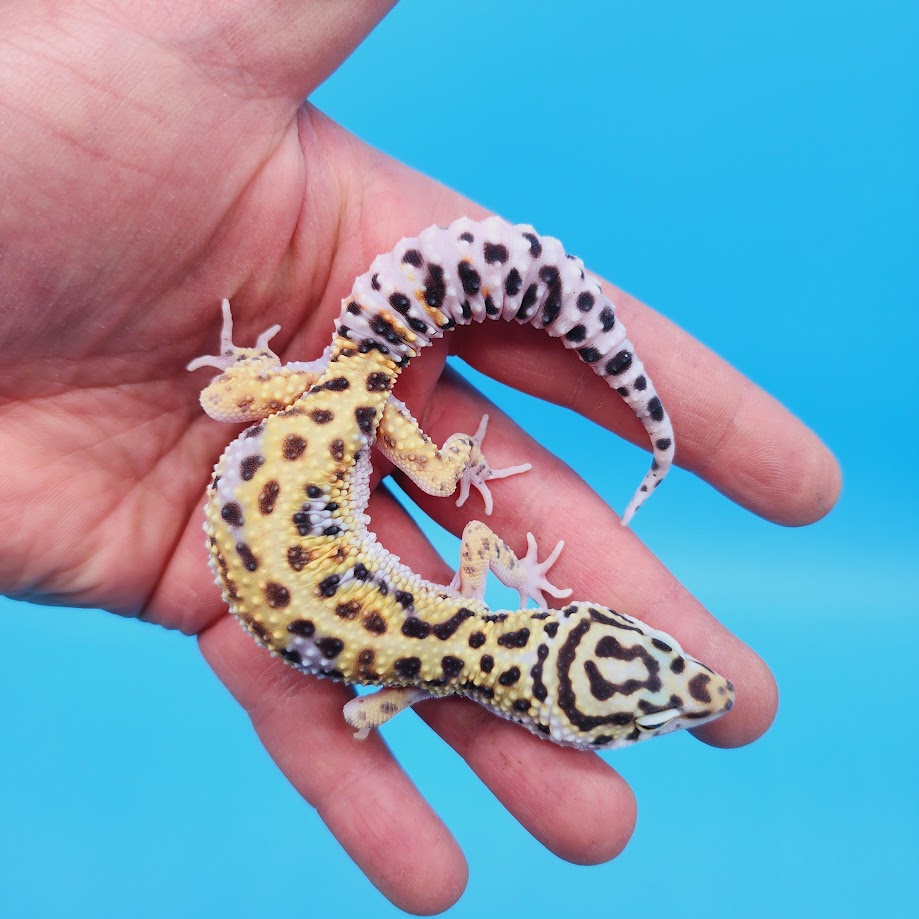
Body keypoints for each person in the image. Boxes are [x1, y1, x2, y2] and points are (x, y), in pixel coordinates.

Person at [0, 2, 840, 913]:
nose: (686, 692)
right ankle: (254, 376)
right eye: (649, 698)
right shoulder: (413, 672)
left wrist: (500, 543)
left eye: (649, 702)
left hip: (309, 445)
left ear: (559, 644)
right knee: (271, 416)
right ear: (541, 704)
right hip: (293, 457)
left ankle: (258, 375)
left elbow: (479, 549)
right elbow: (361, 710)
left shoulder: (475, 606)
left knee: (412, 464)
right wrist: (377, 708)